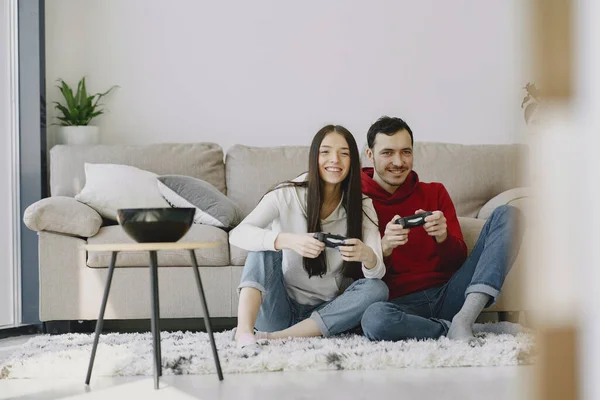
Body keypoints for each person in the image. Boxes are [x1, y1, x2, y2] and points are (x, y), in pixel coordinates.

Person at [359, 116, 523, 343]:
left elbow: (457, 262)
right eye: (387, 152)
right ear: (370, 155)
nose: (398, 161)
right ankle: (464, 328)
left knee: (510, 215)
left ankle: (464, 319)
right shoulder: (357, 201)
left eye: (406, 152)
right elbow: (354, 279)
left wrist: (443, 238)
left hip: (450, 293)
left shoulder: (435, 192)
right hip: (399, 305)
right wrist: (383, 249)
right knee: (374, 320)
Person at [229, 124, 389, 352]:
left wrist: (368, 256)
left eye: (344, 153)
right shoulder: (286, 194)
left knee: (377, 288)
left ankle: (278, 338)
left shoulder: (362, 206)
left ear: (353, 160)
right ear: (314, 157)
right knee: (262, 246)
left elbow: (377, 272)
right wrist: (288, 240)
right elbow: (238, 234)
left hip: (325, 313)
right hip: (279, 309)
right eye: (325, 152)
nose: (335, 160)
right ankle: (244, 333)